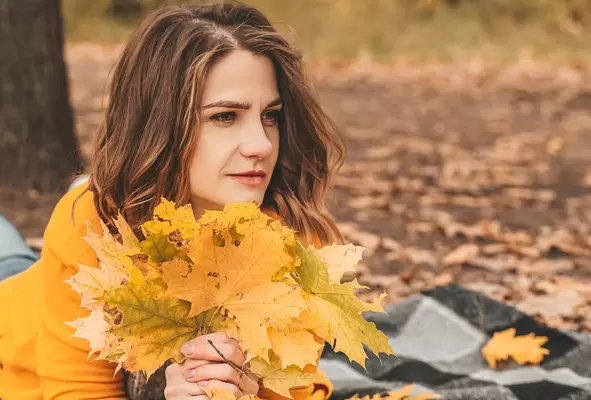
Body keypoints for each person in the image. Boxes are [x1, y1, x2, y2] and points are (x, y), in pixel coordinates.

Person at [0, 2, 346, 400]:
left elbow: (297, 389)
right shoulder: (94, 224)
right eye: (225, 117)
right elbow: (75, 391)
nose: (261, 145)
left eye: (270, 115)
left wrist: (253, 390)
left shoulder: (296, 246)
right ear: (159, 126)